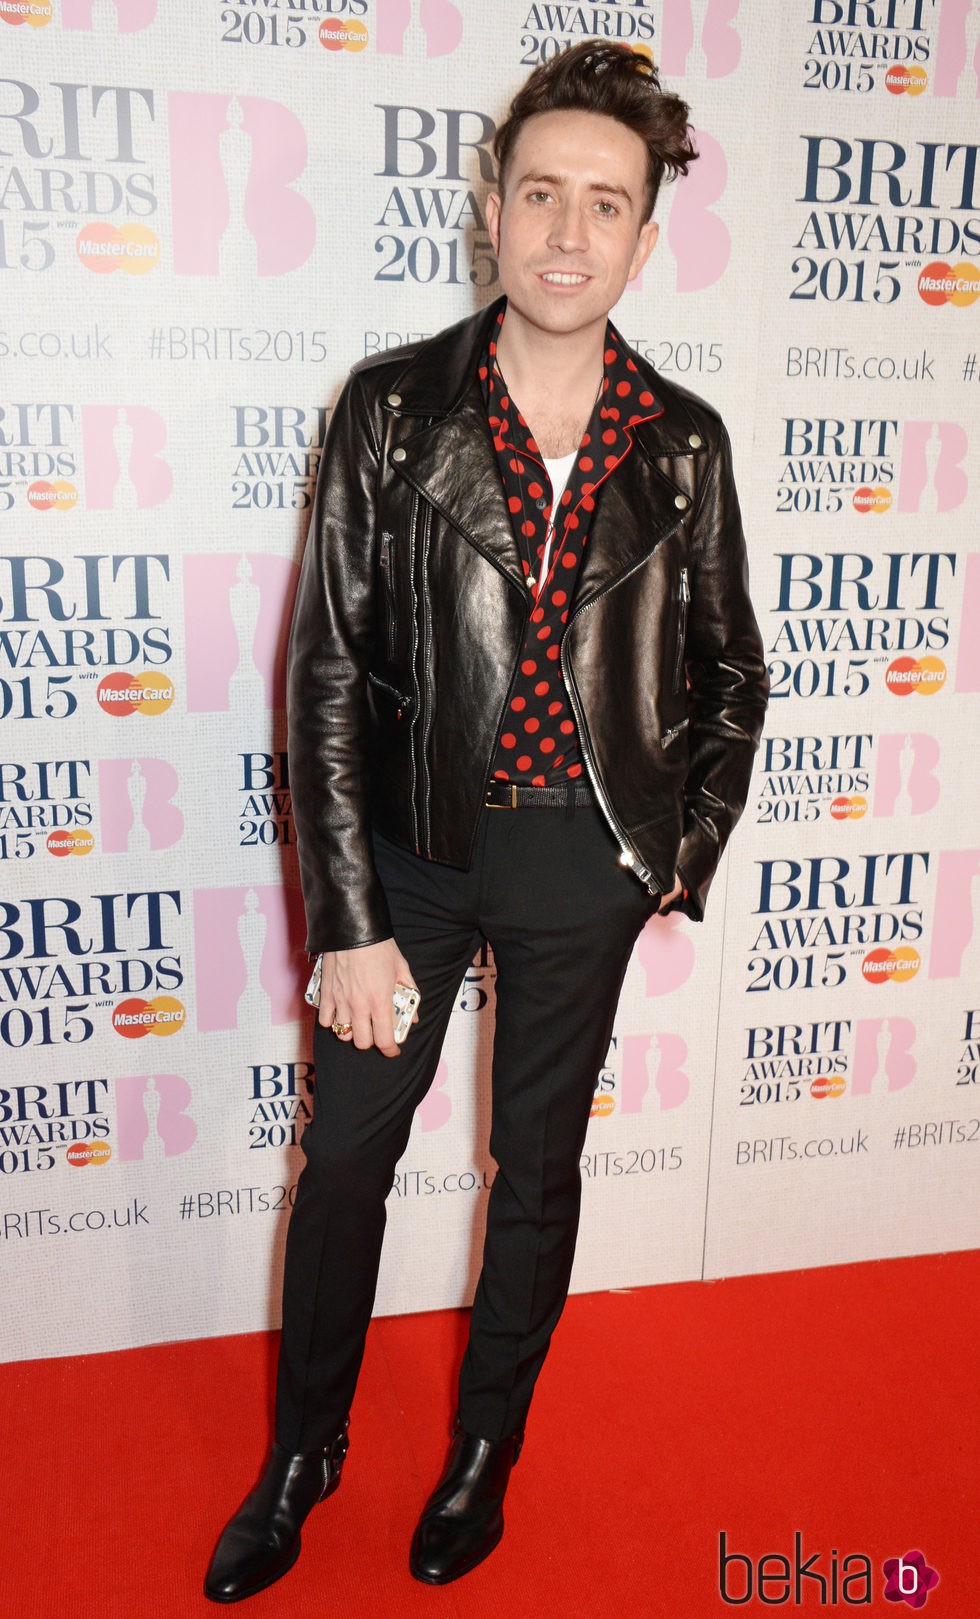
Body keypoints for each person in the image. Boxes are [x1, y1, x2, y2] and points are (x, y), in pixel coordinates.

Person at [205, 40, 768, 1604]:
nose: (569, 235)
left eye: (607, 205)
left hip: (581, 865)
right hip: (411, 856)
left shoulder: (684, 444)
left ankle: (481, 1457)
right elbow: (320, 675)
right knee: (346, 1167)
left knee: (536, 1180)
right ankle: (302, 1457)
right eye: (542, 195)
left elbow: (735, 677)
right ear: (492, 207)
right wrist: (352, 925)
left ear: (647, 238)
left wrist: (671, 860)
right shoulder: (394, 412)